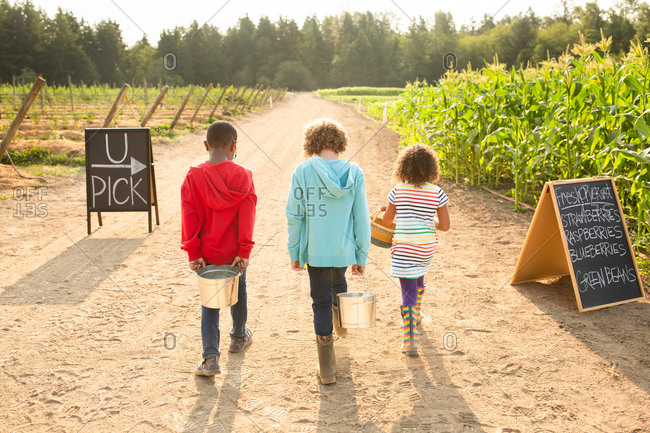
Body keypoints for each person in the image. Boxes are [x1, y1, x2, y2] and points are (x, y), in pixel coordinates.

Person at [286, 119, 371, 384]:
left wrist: (294, 250)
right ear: (339, 143)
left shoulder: (302, 171)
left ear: (312, 143)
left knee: (320, 302)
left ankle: (327, 369)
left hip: (316, 251)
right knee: (339, 279)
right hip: (343, 251)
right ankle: (343, 321)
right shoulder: (354, 172)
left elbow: (294, 215)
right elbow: (362, 218)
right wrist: (361, 255)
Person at [181, 121, 257, 376]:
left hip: (207, 254)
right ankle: (238, 337)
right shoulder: (244, 176)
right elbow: (248, 215)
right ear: (233, 147)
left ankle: (210, 358)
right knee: (239, 291)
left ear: (206, 146)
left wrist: (194, 252)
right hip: (234, 252)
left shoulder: (193, 176)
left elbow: (188, 215)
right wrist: (244, 250)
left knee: (210, 303)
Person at [382, 144, 450, 356]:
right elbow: (445, 226)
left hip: (404, 245)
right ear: (431, 168)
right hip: (425, 246)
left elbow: (386, 221)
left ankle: (409, 338)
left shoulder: (398, 190)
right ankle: (417, 313)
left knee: (407, 290)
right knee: (418, 277)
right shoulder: (437, 193)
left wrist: (390, 210)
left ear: (404, 167)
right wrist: (430, 219)